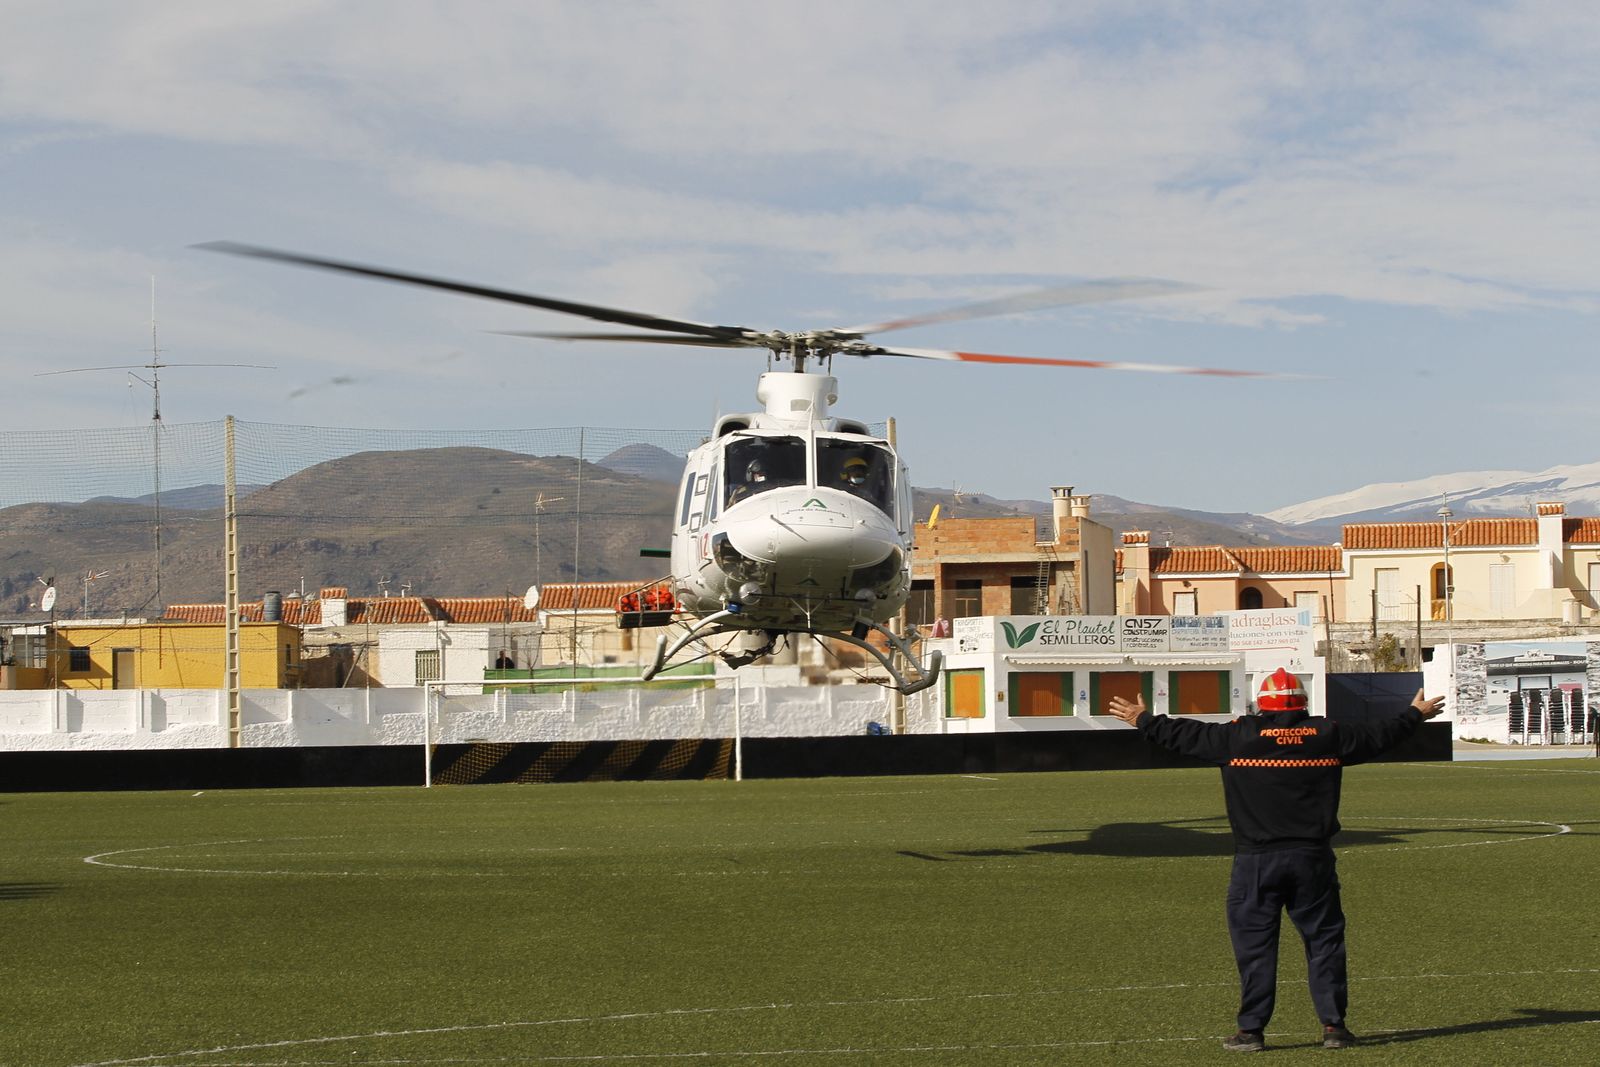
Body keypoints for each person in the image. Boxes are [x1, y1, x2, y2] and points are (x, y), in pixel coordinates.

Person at [1106, 668, 1445, 1052]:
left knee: (1255, 949)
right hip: (1312, 860)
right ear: (1303, 703)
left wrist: (1143, 720)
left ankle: (1251, 1031)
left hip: (1256, 862)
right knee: (1324, 943)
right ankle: (1333, 1027)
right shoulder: (1329, 736)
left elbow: (1185, 735)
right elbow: (1380, 735)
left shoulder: (1237, 737)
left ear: (1260, 704)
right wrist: (1414, 714)